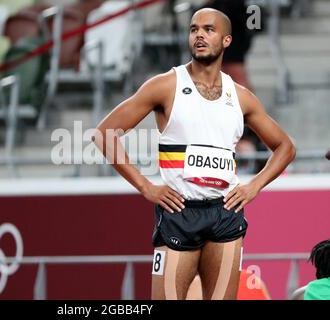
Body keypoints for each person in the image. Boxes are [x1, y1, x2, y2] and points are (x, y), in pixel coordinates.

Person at [93, 8, 296, 300]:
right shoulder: (165, 85)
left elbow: (286, 147)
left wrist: (254, 186)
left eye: (208, 29)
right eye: (193, 29)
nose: (199, 34)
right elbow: (105, 132)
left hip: (226, 212)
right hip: (179, 211)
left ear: (226, 40)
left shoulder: (240, 96)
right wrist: (146, 186)